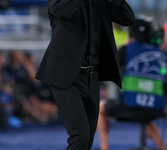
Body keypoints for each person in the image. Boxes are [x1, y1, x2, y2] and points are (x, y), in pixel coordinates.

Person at [35, 0, 135, 149]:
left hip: (92, 76)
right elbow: (64, 11)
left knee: (88, 138)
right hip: (65, 75)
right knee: (80, 135)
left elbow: (128, 19)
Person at [97, 19, 167, 150]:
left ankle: (104, 148)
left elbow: (109, 69)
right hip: (157, 108)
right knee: (147, 118)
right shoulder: (160, 53)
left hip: (130, 106)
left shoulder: (126, 49)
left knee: (100, 108)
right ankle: (163, 147)